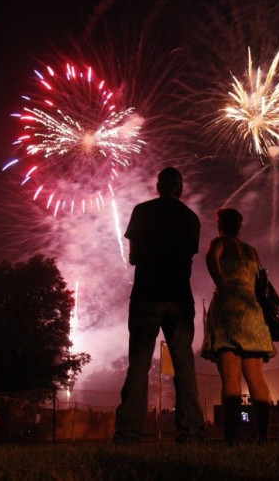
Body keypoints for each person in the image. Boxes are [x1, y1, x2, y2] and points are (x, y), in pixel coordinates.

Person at [113, 167, 205, 444]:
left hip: (147, 294)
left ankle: (129, 433)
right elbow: (188, 255)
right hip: (179, 296)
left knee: (139, 364)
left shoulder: (142, 211)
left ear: (158, 186)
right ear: (180, 188)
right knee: (184, 365)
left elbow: (134, 257)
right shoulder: (191, 218)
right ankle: (191, 430)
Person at [201, 208, 276, 443]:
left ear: (221, 225)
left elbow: (211, 259)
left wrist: (221, 284)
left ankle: (230, 438)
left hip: (229, 311)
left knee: (230, 378)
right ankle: (263, 436)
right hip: (253, 312)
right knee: (256, 378)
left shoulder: (219, 242)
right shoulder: (251, 251)